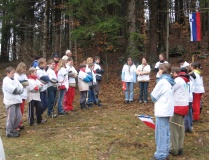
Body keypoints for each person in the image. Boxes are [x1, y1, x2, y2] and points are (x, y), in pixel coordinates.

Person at [150, 63, 175, 160]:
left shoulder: (163, 82)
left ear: (163, 70)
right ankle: (165, 151)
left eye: (159, 70)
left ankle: (160, 155)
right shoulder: (170, 81)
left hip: (162, 110)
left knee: (161, 133)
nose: (158, 71)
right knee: (166, 131)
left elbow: (153, 96)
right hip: (167, 109)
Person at [170, 67, 190, 156]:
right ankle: (180, 147)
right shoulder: (185, 81)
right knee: (181, 128)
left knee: (174, 128)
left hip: (177, 106)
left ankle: (174, 149)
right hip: (184, 106)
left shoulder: (178, 80)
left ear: (175, 73)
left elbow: (170, 91)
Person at [2, 67, 23, 137]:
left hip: (17, 100)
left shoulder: (15, 79)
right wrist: (18, 90)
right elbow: (12, 89)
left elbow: (20, 86)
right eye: (12, 73)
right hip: (10, 101)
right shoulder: (6, 80)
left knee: (19, 116)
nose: (13, 74)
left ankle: (14, 128)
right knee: (11, 117)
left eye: (14, 73)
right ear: (7, 73)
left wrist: (20, 90)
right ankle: (9, 131)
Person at [14, 62, 28, 130]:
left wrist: (23, 82)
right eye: (24, 68)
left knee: (22, 110)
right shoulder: (16, 75)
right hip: (19, 95)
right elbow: (17, 83)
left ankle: (20, 122)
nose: (25, 70)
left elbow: (27, 82)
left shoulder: (24, 75)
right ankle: (16, 124)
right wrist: (22, 83)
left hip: (23, 94)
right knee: (18, 110)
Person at [184, 66, 195, 133]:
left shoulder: (186, 80)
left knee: (187, 113)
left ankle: (188, 127)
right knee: (190, 111)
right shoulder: (190, 79)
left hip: (187, 98)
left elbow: (185, 90)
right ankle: (190, 124)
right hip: (190, 97)